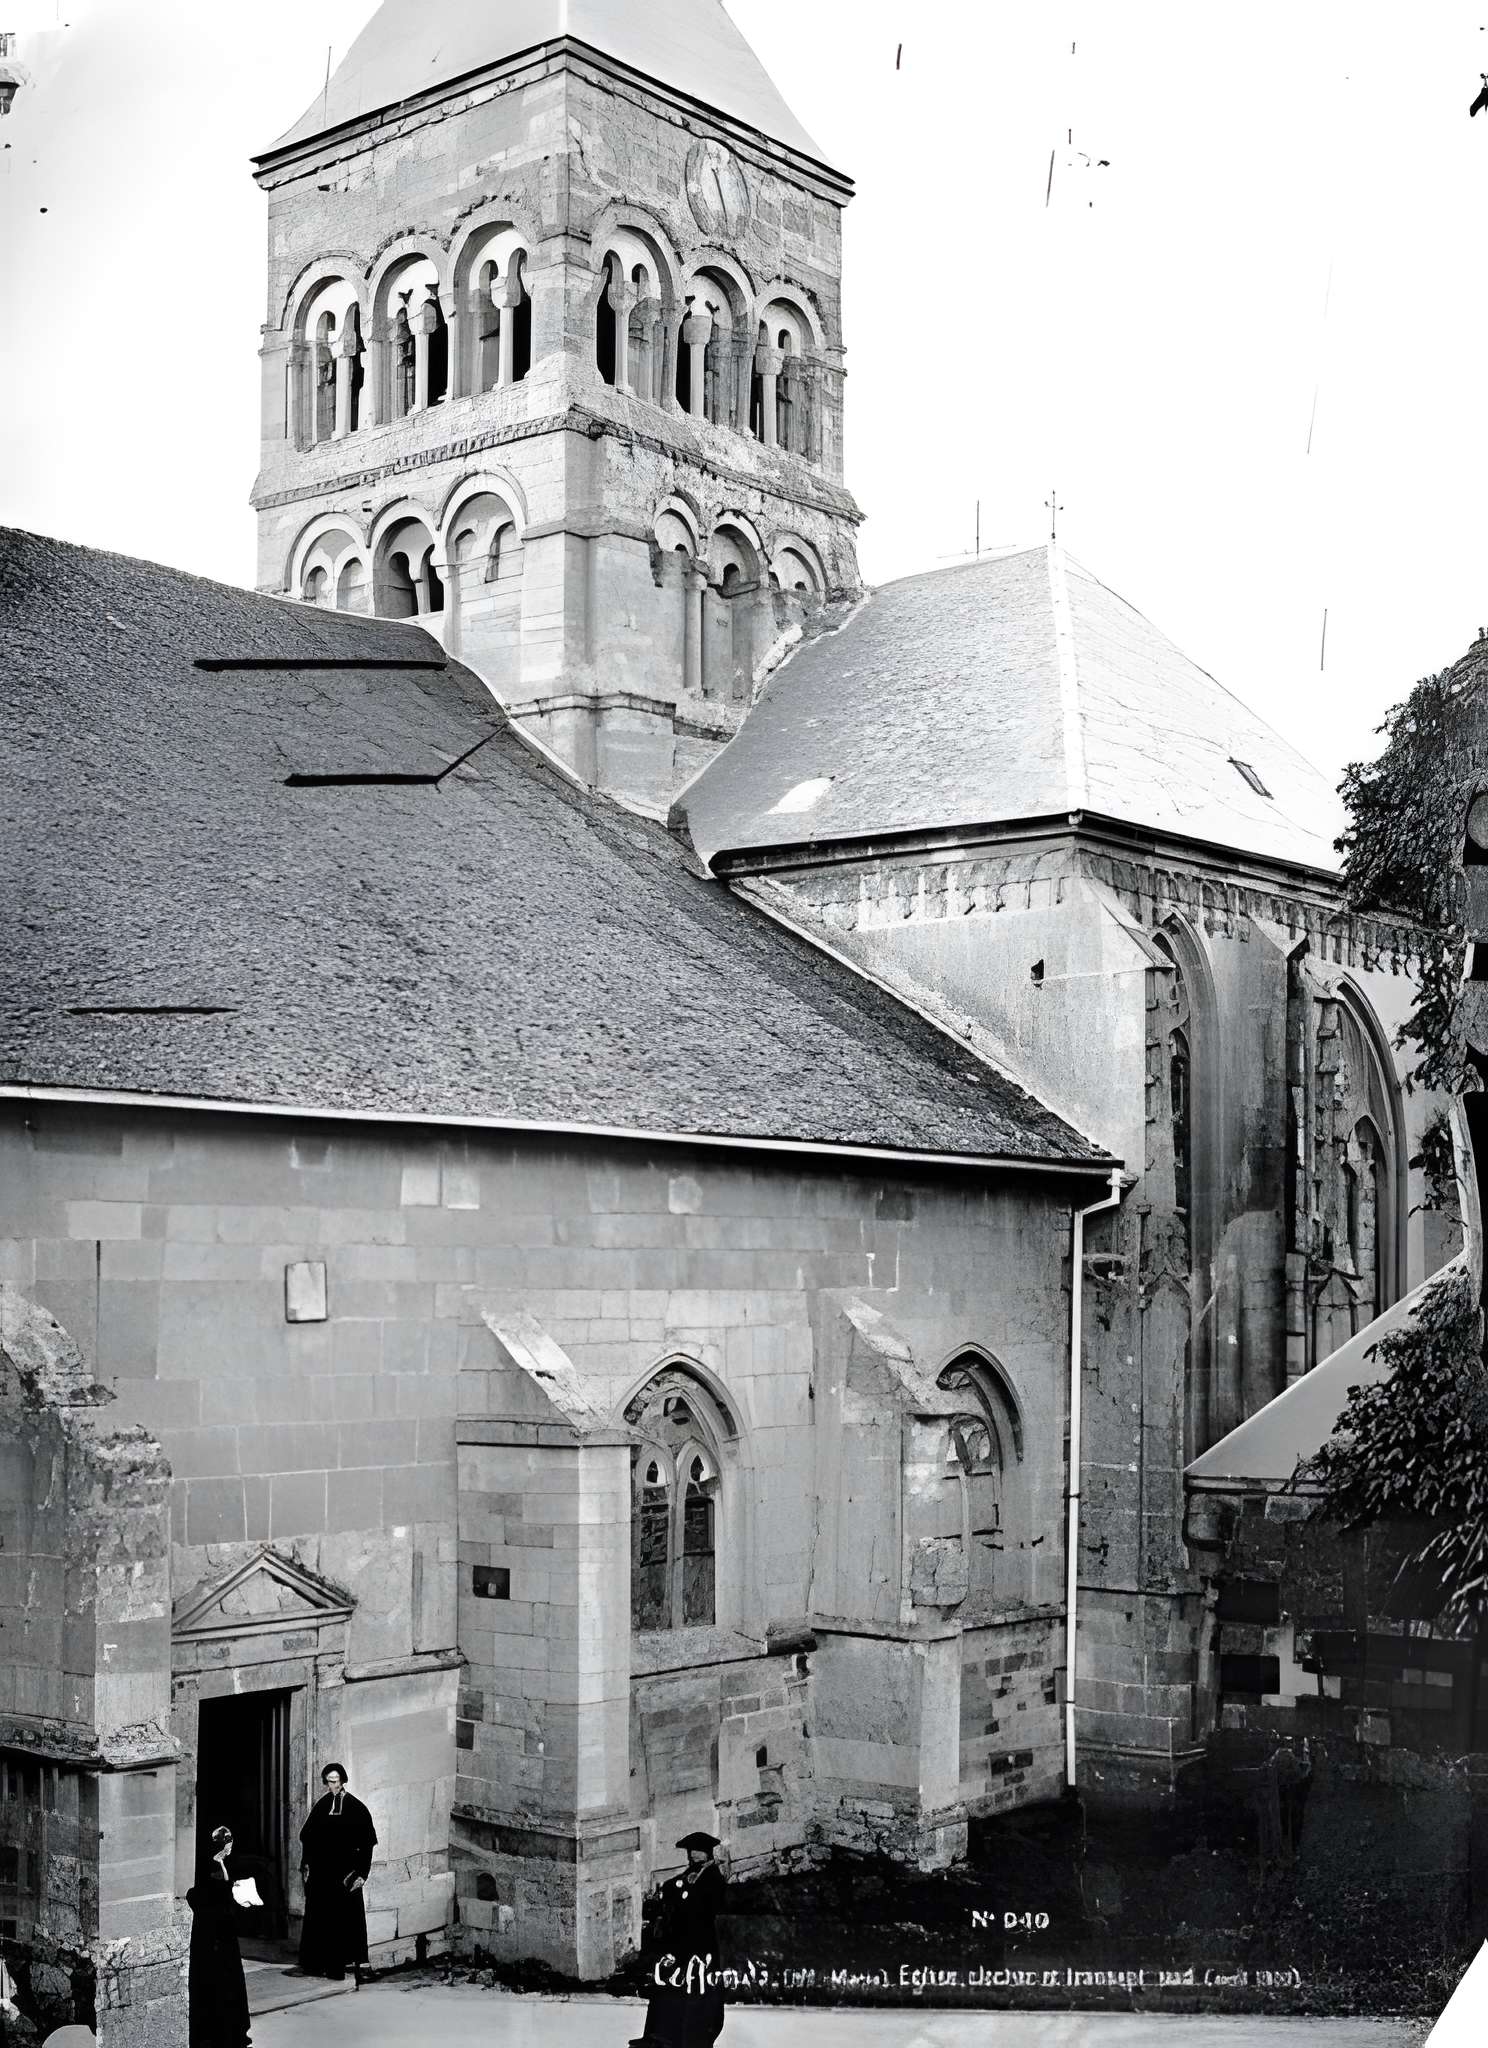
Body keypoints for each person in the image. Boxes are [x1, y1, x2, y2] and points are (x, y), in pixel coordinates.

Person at [632, 1832, 728, 2048]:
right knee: (670, 1987)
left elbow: (708, 1906)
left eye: (697, 1852)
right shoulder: (690, 1876)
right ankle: (660, 2035)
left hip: (701, 1947)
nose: (693, 1857)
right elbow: (675, 1888)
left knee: (694, 1995)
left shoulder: (713, 1877)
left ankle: (688, 2038)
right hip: (682, 1945)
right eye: (691, 1853)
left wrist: (686, 1893)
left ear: (707, 1853)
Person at [297, 1763, 378, 1985]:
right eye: (329, 1781)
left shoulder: (356, 1808)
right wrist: (307, 1864)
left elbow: (367, 1843)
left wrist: (362, 1873)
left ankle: (346, 1967)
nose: (332, 1785)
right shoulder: (322, 1805)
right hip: (322, 1873)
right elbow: (307, 1835)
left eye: (335, 1781)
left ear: (342, 1780)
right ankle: (315, 1964)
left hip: (345, 1875)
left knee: (345, 1921)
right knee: (319, 1917)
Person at [186, 1825, 251, 2048]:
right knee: (214, 1981)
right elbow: (204, 1893)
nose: (229, 1850)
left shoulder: (225, 1862)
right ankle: (215, 2032)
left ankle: (232, 2030)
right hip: (211, 1933)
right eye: (226, 1847)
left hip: (224, 1932)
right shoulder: (210, 1864)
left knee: (229, 1980)